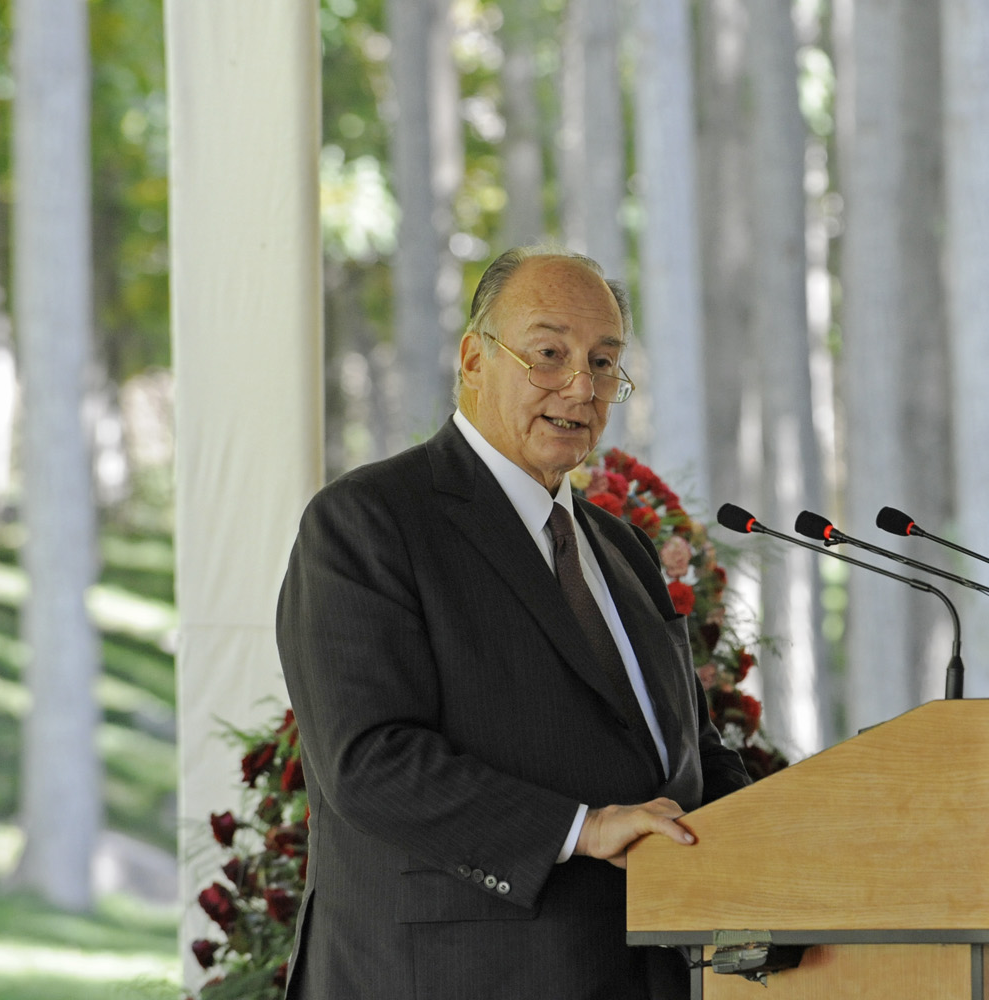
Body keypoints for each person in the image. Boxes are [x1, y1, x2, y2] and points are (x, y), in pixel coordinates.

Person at [276, 245, 751, 999]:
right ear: (473, 359)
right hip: (458, 974)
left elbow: (690, 750)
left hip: (646, 969)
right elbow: (369, 760)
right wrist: (581, 827)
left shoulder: (621, 548)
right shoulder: (370, 522)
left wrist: (801, 836)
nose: (581, 385)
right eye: (549, 353)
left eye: (603, 362)